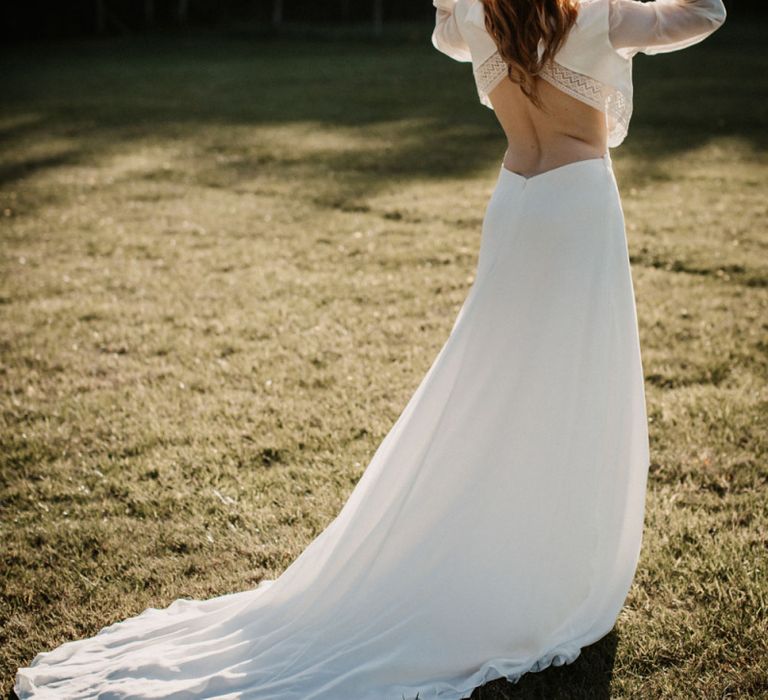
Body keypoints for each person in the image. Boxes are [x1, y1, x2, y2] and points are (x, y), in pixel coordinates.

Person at [14, 0, 726, 697]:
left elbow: (447, 38)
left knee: (491, 384)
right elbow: (706, 14)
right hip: (575, 211)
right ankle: (544, 558)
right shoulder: (599, 14)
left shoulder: (482, 16)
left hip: (516, 204)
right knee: (569, 390)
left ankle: (497, 535)